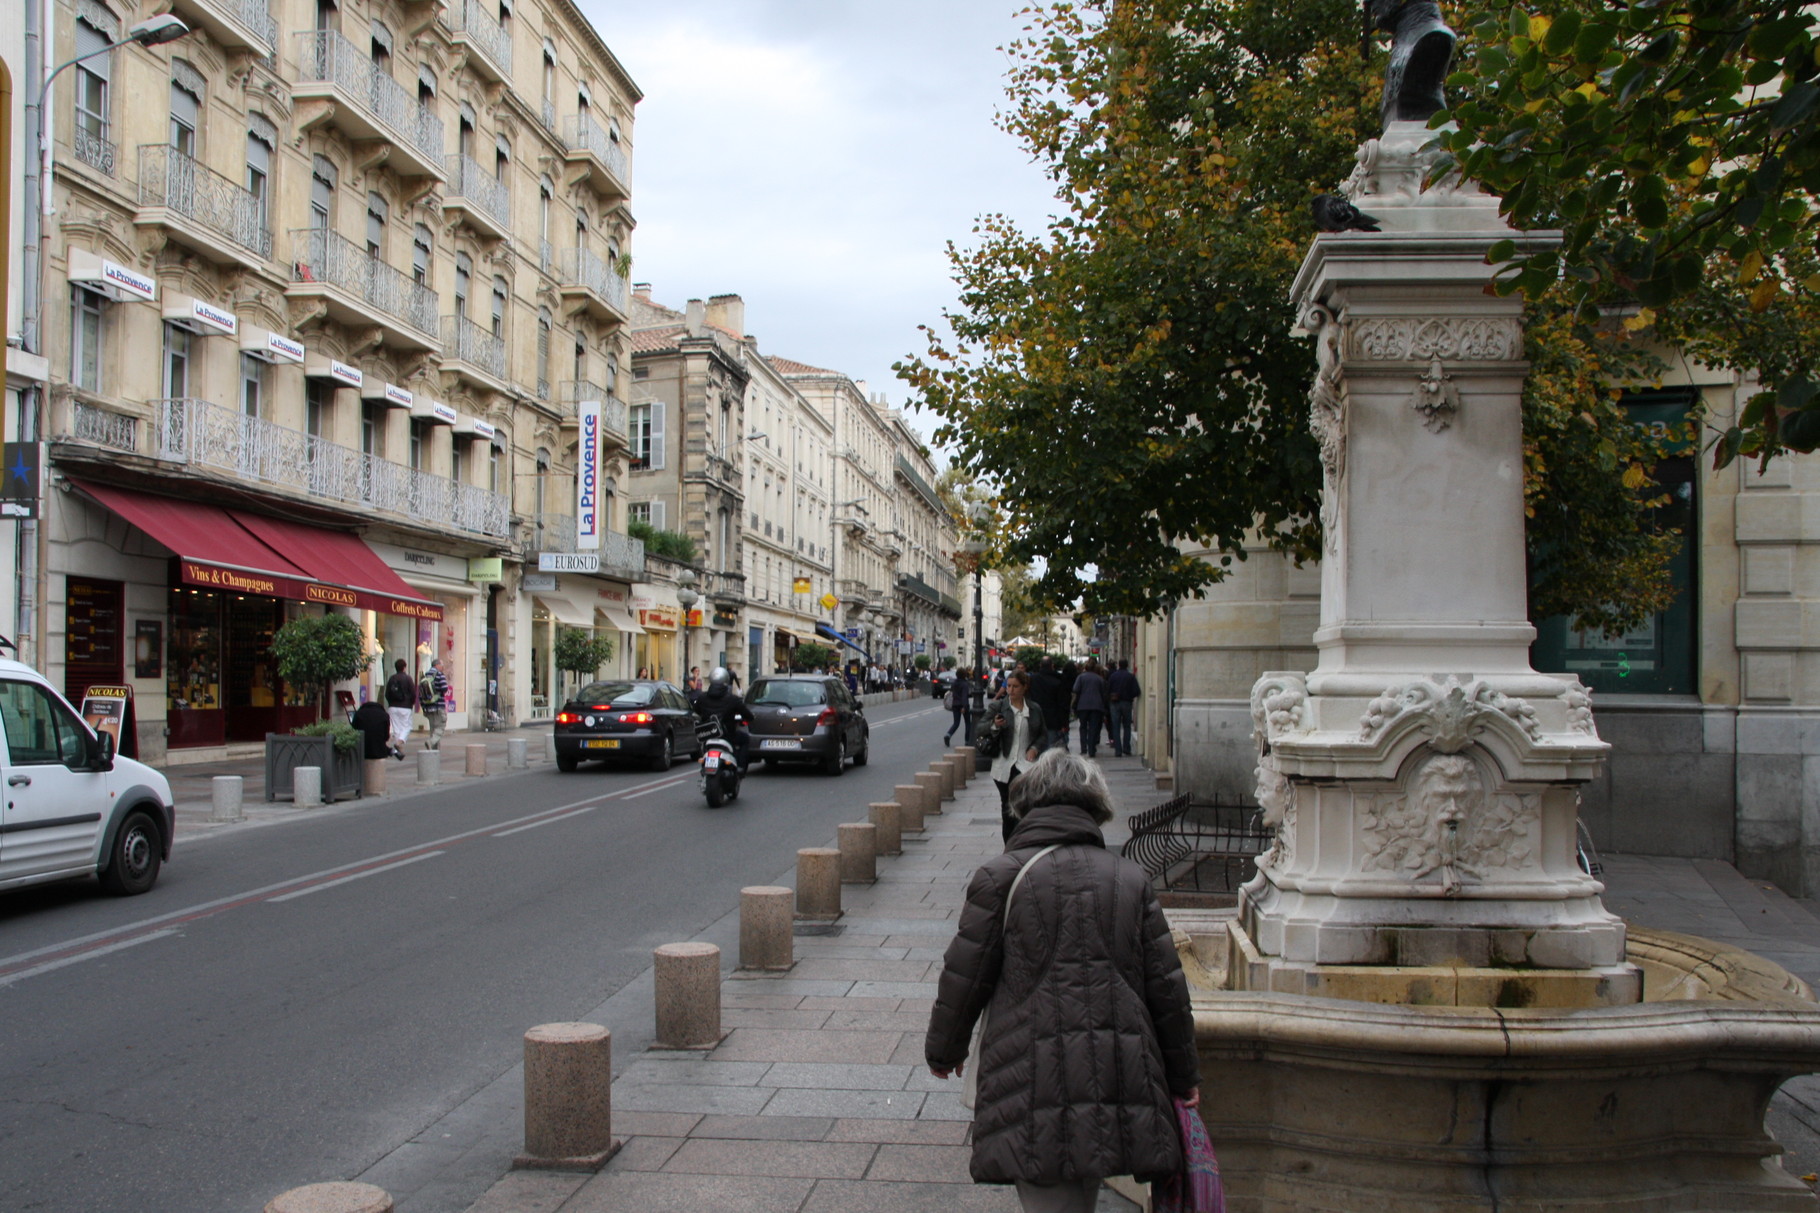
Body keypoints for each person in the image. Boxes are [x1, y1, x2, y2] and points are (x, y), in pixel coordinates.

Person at [925, 749, 1201, 1212]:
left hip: (1029, 1069)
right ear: (1095, 808)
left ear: (1025, 805)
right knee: (1083, 1187)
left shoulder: (1000, 876)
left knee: (1048, 1191)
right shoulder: (1129, 878)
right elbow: (1167, 989)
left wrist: (944, 1049)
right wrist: (1184, 1075)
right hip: (1113, 1069)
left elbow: (965, 974)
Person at [982, 670, 1045, 842]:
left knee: (1025, 806)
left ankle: (1023, 841)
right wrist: (994, 725)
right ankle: (1010, 845)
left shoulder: (1034, 709)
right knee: (1008, 807)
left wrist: (1035, 748)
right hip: (1003, 766)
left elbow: (1042, 735)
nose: (1011, 690)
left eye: (1015, 686)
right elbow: (980, 728)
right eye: (1008, 686)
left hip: (1026, 766)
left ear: (1025, 687)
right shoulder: (998, 707)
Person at [691, 667, 751, 771]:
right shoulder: (733, 699)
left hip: (709, 735)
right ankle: (740, 767)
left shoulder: (702, 698)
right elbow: (747, 714)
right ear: (726, 681)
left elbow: (696, 711)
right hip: (727, 735)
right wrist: (750, 718)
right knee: (745, 739)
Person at [1072, 658, 1109, 759]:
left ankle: (1084, 748)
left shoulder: (1081, 677)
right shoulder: (1099, 679)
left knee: (1083, 727)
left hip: (1083, 706)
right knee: (1093, 728)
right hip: (1096, 706)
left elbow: (1075, 689)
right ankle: (1092, 749)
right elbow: (1103, 693)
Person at [1028, 658, 1067, 752]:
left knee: (1035, 747)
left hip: (1035, 718)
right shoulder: (1058, 680)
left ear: (1040, 665)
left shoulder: (1033, 679)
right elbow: (1062, 703)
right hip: (1052, 720)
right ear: (1052, 666)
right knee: (1050, 748)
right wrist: (1064, 722)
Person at [382, 658, 416, 760]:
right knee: (407, 726)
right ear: (404, 667)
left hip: (393, 706)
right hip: (405, 706)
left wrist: (391, 703)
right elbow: (413, 693)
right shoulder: (408, 678)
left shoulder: (392, 678)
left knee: (396, 728)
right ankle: (399, 742)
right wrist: (411, 703)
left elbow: (387, 694)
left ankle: (399, 750)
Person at [1108, 659, 1142, 757]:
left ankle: (1118, 750)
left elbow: (1108, 689)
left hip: (1115, 703)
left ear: (1118, 665)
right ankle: (1126, 748)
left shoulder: (1113, 676)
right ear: (1127, 665)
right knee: (1127, 726)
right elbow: (1137, 691)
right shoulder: (1130, 676)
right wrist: (1129, 696)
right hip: (1127, 703)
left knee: (1116, 726)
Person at [418, 659, 452, 751]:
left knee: (433, 729)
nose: (443, 667)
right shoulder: (439, 675)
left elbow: (420, 694)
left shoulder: (424, 676)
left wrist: (424, 707)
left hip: (428, 707)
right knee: (441, 727)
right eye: (442, 665)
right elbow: (444, 688)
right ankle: (431, 742)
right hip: (438, 707)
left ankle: (434, 751)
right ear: (437, 665)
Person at [943, 668, 971, 745]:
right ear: (964, 675)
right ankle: (967, 741)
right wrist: (964, 707)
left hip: (955, 704)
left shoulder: (954, 683)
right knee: (968, 723)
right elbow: (964, 696)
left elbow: (952, 693)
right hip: (963, 705)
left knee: (956, 723)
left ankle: (948, 735)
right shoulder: (964, 684)